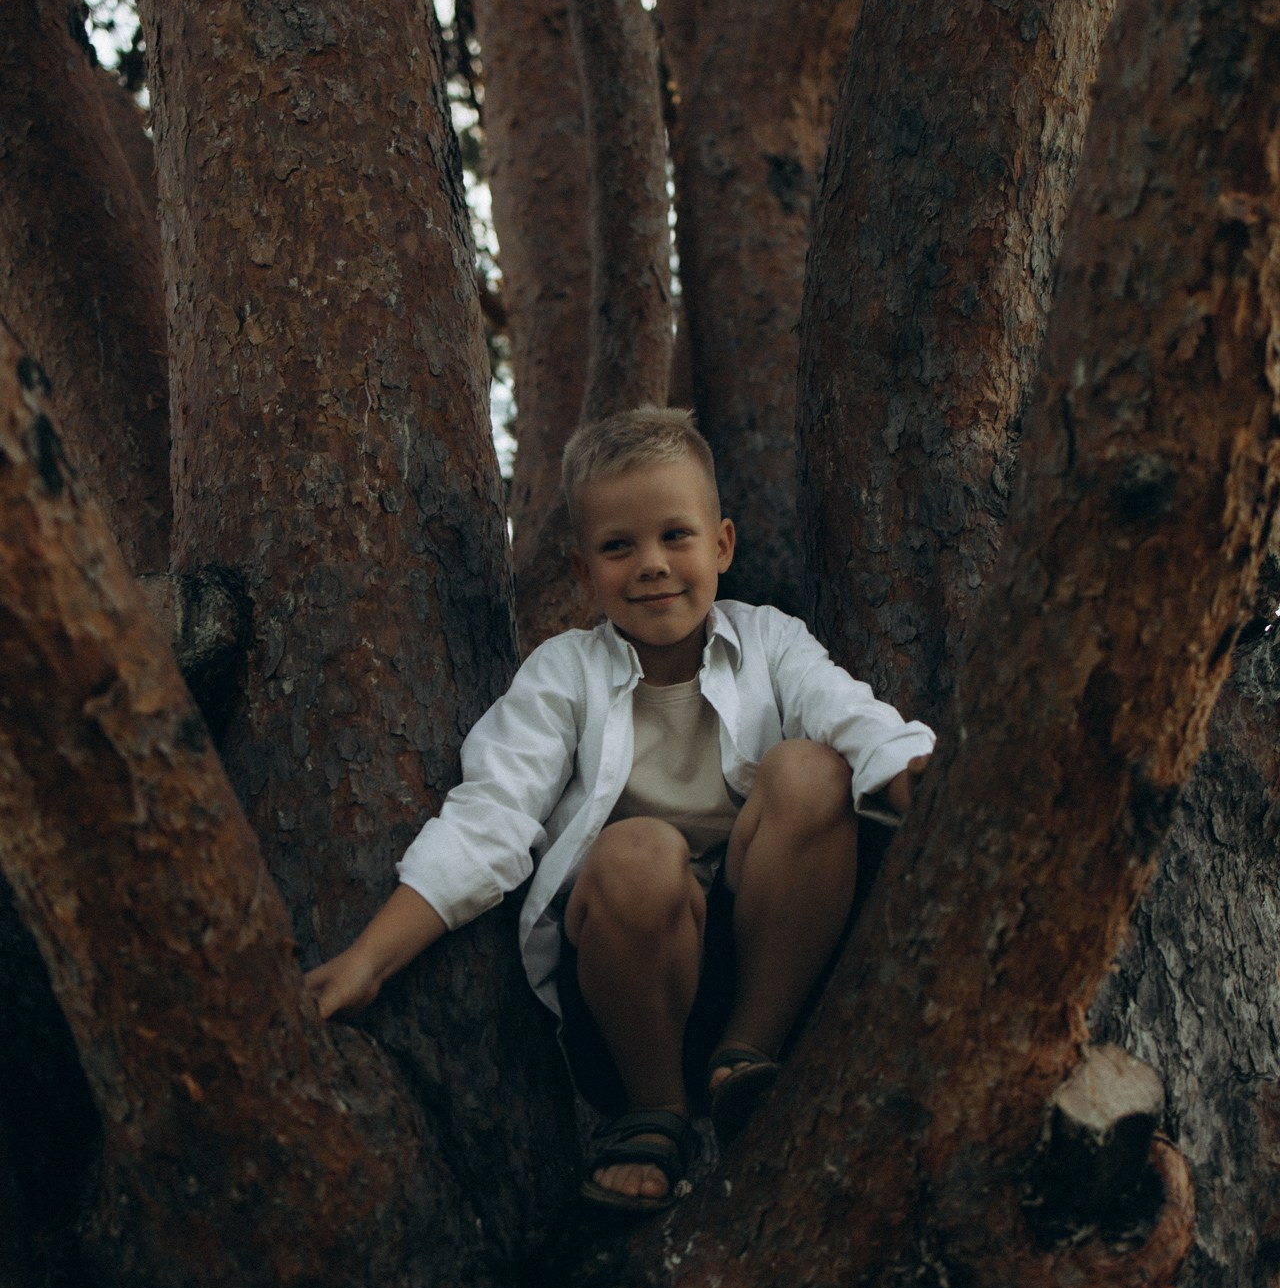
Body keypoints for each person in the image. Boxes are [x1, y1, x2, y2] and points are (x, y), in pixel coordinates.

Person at [306, 408, 934, 1214]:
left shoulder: (772, 643)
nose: (651, 566)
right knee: (640, 847)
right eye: (618, 546)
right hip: (629, 996)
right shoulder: (563, 674)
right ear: (584, 570)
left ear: (723, 546)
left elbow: (857, 720)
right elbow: (489, 818)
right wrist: (369, 959)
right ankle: (656, 1114)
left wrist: (922, 776)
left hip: (768, 964)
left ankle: (751, 1060)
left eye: (676, 536)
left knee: (815, 770)